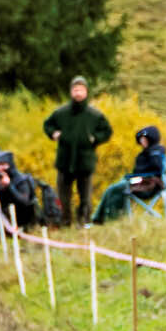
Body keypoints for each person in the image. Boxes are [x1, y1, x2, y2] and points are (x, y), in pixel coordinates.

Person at [42, 77, 112, 226]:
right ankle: (65, 222)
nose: (78, 93)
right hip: (64, 160)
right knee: (63, 196)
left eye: (81, 90)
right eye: (75, 90)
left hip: (85, 161)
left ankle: (84, 223)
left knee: (85, 196)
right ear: (71, 92)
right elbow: (47, 125)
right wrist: (54, 133)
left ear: (86, 92)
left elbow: (107, 131)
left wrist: (95, 138)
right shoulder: (61, 112)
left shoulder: (94, 115)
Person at [128, 126, 166, 205]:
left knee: (117, 188)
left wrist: (153, 155)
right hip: (137, 182)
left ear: (150, 139)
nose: (142, 141)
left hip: (149, 185)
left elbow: (158, 168)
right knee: (115, 188)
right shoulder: (143, 155)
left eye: (144, 139)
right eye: (141, 139)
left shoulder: (155, 152)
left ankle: (111, 211)